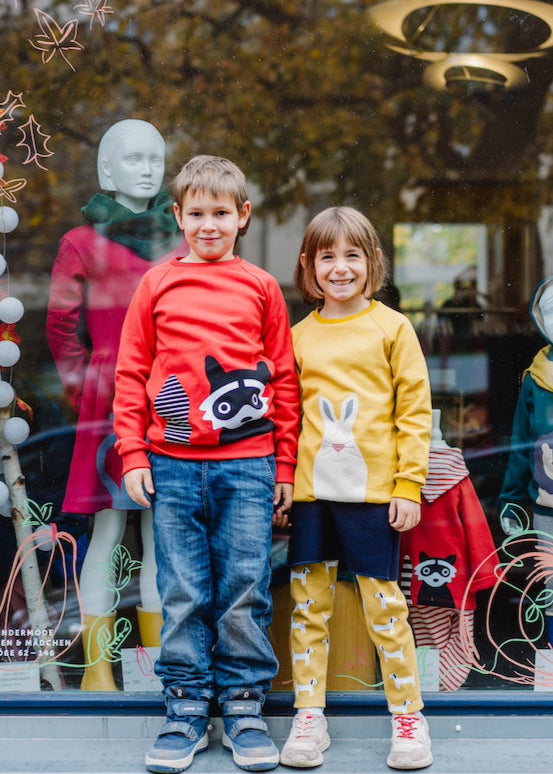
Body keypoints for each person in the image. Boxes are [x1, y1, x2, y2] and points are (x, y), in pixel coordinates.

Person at [113, 155, 300, 773]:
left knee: (245, 587)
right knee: (183, 590)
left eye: (222, 213)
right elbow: (132, 374)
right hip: (170, 464)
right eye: (197, 213)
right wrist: (133, 452)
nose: (210, 224)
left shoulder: (261, 287)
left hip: (248, 465)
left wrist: (284, 469)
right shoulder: (157, 283)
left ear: (243, 216)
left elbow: (286, 383)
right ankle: (186, 710)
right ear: (178, 216)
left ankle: (245, 707)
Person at [280, 206, 434, 771]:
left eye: (352, 255)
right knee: (308, 608)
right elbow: (288, 420)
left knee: (385, 609)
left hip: (374, 498)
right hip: (312, 497)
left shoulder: (393, 328)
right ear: (309, 266)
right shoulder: (297, 337)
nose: (340, 268)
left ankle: (409, 720)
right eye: (327, 256)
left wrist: (408, 485)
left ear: (372, 263)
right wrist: (282, 487)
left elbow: (415, 411)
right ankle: (308, 717)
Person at [46, 119, 187, 691]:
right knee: (107, 531)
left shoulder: (181, 237)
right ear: (106, 170)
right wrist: (87, 391)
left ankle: (155, 672)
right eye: (133, 159)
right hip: (108, 400)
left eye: (155, 158)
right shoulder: (80, 242)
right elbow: (59, 324)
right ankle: (98, 673)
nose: (148, 169)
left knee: (162, 533)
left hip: (171, 396)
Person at [400, 409, 498, 692]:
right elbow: (476, 526)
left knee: (421, 633)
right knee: (458, 635)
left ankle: (429, 683)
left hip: (411, 573)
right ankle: (447, 683)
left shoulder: (407, 479)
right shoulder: (459, 479)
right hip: (456, 577)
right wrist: (484, 574)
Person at [499, 275, 553, 646]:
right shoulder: (536, 378)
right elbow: (521, 446)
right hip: (547, 507)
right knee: (550, 592)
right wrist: (511, 501)